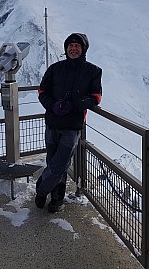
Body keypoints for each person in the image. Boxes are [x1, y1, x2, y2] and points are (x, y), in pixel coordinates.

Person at [35, 32, 102, 212]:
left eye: (77, 46)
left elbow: (96, 97)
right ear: (66, 49)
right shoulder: (55, 69)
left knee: (60, 163)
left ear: (83, 49)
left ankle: (42, 189)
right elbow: (42, 92)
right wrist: (53, 105)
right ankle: (57, 199)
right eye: (70, 46)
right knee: (54, 162)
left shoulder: (93, 71)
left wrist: (75, 105)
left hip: (72, 126)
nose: (73, 49)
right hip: (52, 123)